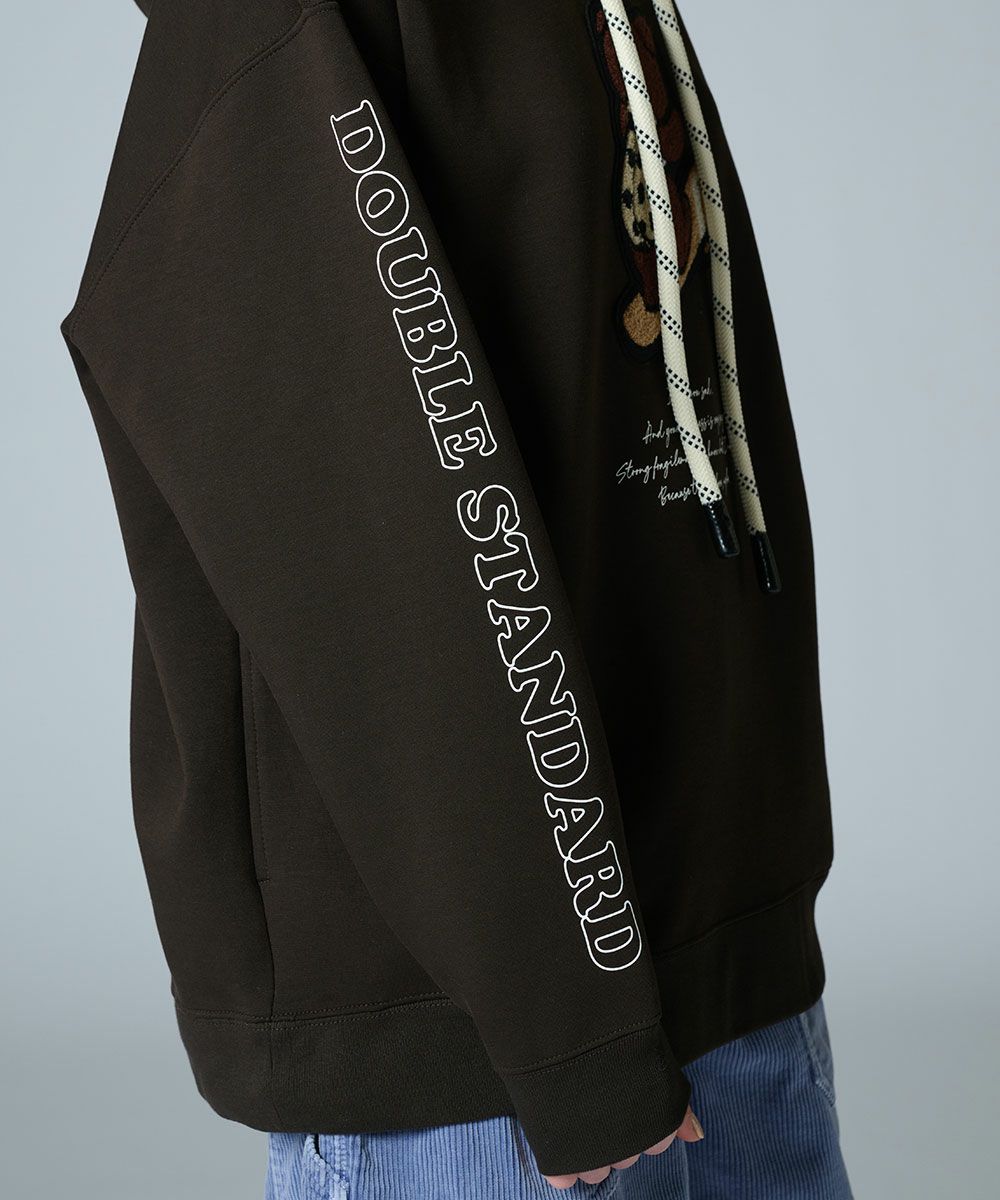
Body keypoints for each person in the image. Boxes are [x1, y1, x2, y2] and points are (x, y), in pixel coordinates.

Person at [61, 0, 852, 1195]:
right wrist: (569, 1031)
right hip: (487, 1077)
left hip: (730, 987)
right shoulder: (264, 27)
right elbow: (365, 552)